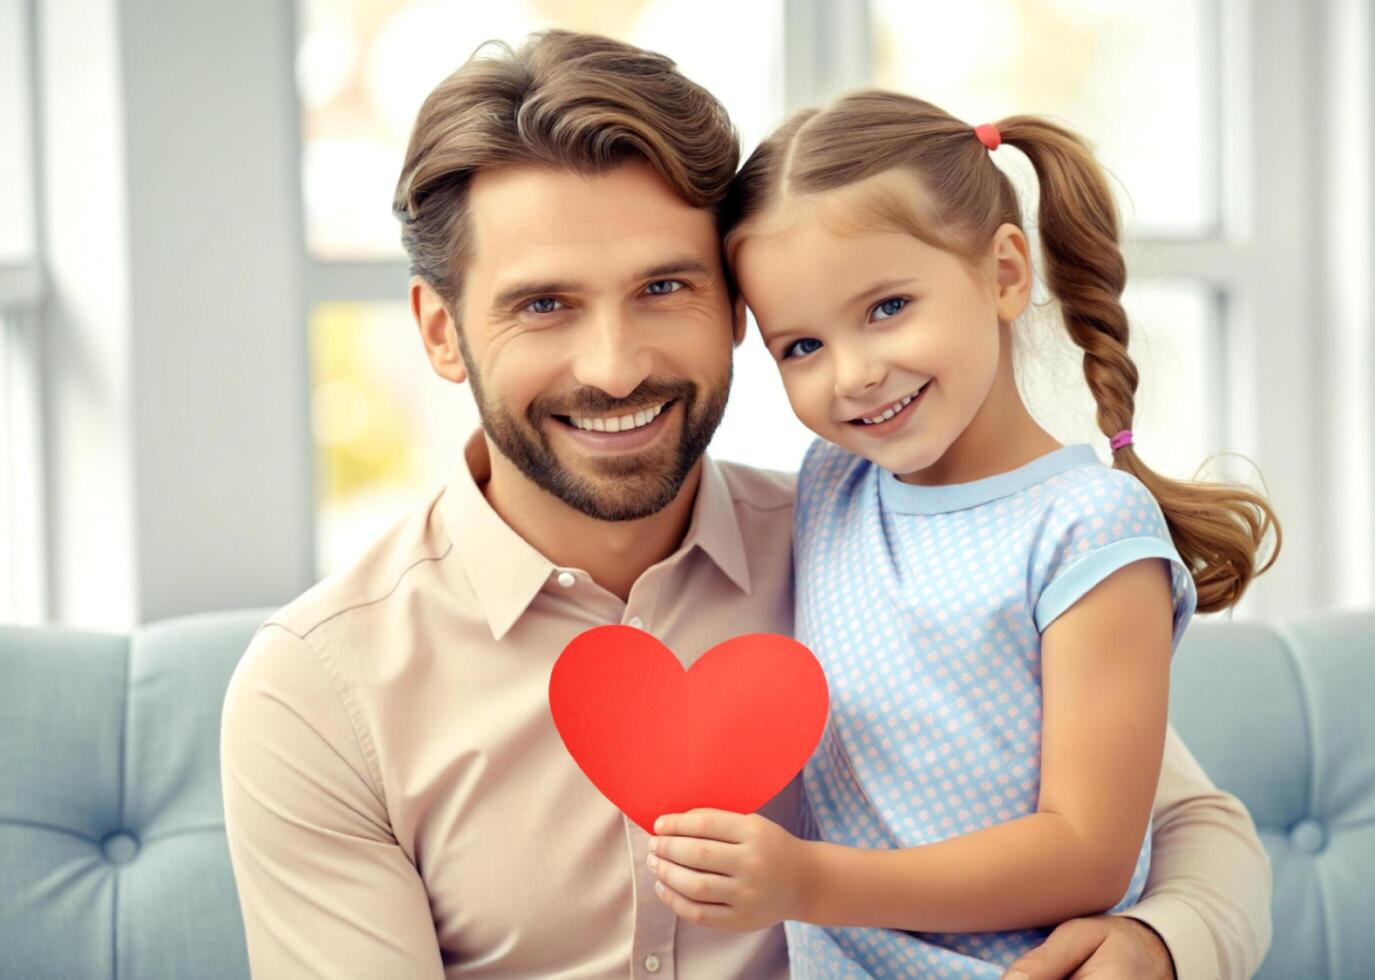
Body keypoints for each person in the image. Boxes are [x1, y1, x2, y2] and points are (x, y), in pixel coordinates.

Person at [220, 32, 1273, 979]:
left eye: (663, 288)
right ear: (440, 331)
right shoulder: (318, 691)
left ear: (733, 306)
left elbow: (1186, 825)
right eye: (543, 304)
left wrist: (1156, 942)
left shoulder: (862, 530)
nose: (615, 364)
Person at [644, 91, 1281, 978]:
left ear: (1004, 273)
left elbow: (1087, 852)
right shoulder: (833, 485)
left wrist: (806, 882)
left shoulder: (1088, 530)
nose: (855, 374)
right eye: (800, 347)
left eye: (887, 307)